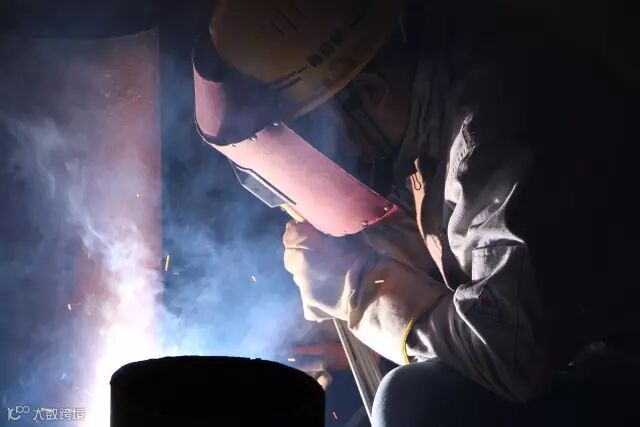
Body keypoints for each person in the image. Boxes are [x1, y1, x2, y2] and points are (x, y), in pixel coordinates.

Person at [204, 0, 634, 425]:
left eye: (318, 137)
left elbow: (513, 353)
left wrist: (356, 290)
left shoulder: (494, 131)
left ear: (369, 91)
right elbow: (454, 235)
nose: (325, 160)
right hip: (567, 362)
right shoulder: (426, 101)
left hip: (617, 373)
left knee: (412, 402)